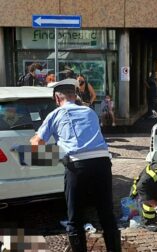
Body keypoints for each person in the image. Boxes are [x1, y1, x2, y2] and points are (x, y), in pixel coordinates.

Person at [29, 79, 120, 252]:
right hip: (102, 163)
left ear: (57, 99)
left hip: (77, 165)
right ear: (74, 96)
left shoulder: (55, 114)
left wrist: (33, 139)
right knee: (106, 214)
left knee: (75, 218)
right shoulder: (89, 111)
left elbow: (37, 143)